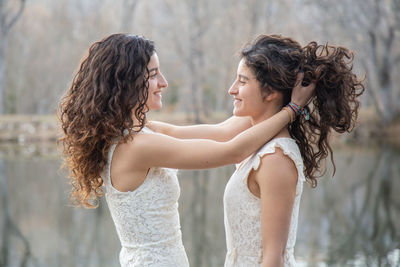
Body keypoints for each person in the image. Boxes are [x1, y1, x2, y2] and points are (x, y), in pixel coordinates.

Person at [58, 33, 315, 267]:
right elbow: (231, 151)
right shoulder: (138, 145)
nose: (164, 82)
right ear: (127, 82)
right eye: (153, 74)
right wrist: (292, 110)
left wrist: (274, 100)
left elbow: (224, 131)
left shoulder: (139, 133)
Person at [220, 35, 364, 266]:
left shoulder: (276, 158)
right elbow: (207, 137)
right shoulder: (258, 141)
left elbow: (273, 259)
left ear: (271, 93)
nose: (232, 90)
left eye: (242, 81)